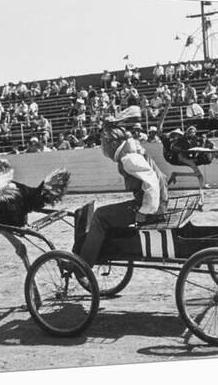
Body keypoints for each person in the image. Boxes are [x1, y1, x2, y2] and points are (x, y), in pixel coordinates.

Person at [72, 109, 169, 267]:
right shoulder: (132, 149)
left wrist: (144, 211)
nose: (105, 148)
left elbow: (151, 183)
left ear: (113, 143)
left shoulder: (128, 158)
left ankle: (84, 264)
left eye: (105, 144)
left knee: (100, 215)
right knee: (108, 214)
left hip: (153, 208)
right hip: (156, 204)